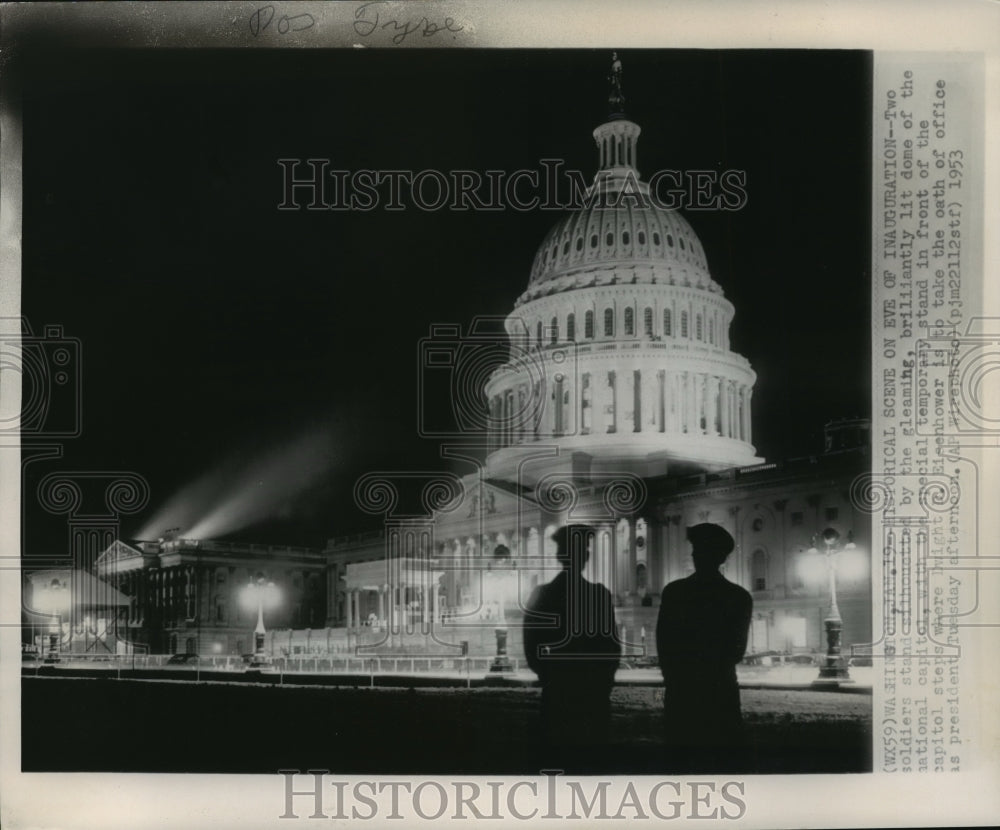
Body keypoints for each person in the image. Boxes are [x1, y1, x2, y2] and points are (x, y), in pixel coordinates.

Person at [656, 523, 753, 772]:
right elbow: (736, 651)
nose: (696, 556)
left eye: (701, 551)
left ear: (718, 557)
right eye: (697, 550)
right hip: (720, 691)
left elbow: (664, 645)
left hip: (682, 692)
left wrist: (675, 677)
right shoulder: (738, 597)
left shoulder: (674, 593)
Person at [523, 524, 621, 753]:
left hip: (558, 691)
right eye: (583, 550)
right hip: (592, 693)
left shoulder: (543, 594)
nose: (584, 555)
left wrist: (548, 676)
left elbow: (532, 648)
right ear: (585, 556)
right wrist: (604, 681)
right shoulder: (599, 594)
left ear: (559, 555)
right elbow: (612, 647)